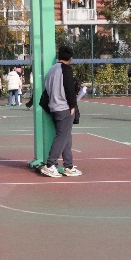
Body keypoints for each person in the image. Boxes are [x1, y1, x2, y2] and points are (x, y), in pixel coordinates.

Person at [39, 45, 81, 177]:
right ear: (70, 58)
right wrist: (73, 105)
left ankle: (68, 165)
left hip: (53, 107)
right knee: (62, 137)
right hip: (64, 107)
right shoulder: (66, 69)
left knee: (65, 136)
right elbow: (69, 88)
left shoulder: (52, 70)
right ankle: (50, 164)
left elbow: (47, 89)